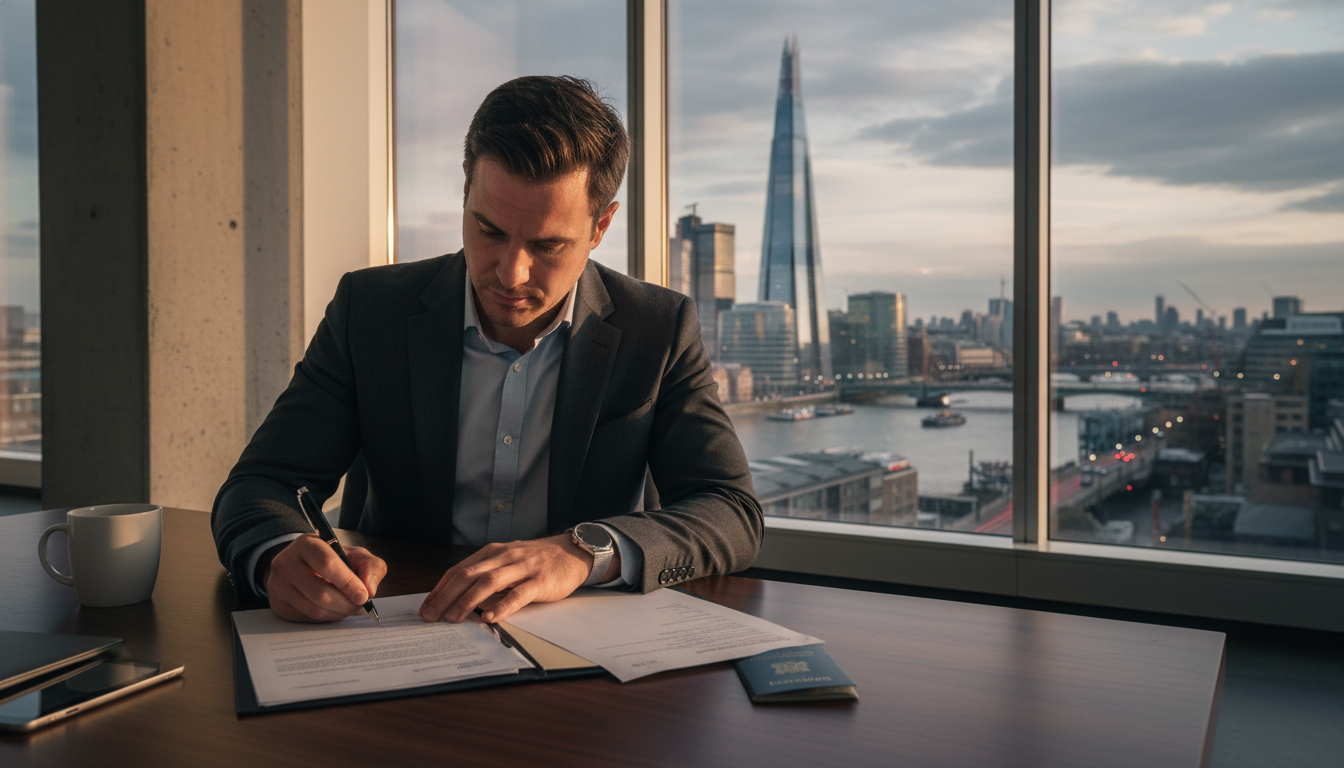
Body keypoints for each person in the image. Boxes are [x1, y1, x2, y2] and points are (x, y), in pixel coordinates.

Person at [211, 75, 762, 626]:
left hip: (578, 648)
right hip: (399, 625)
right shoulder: (370, 312)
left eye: (547, 245)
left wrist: (583, 551)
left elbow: (731, 512)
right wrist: (275, 556)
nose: (511, 273)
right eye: (489, 230)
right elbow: (260, 485)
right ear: (467, 192)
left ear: (600, 227)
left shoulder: (658, 327)